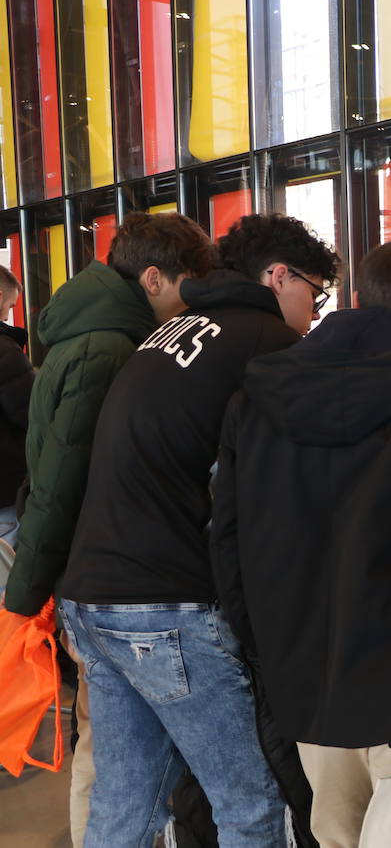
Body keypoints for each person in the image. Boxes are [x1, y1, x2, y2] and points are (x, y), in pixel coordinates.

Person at [57, 213, 337, 847]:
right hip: (162, 604)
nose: (316, 313)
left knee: (125, 806)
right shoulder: (266, 340)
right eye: (315, 293)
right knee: (250, 806)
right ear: (277, 276)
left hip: (92, 598)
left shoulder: (178, 330)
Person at [210, 240, 391, 848]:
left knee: (335, 835)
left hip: (304, 683)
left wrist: (268, 657)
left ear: (360, 300)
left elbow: (228, 545)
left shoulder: (254, 402)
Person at [1, 211, 215, 846]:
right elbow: (69, 476)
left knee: (111, 753)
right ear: (152, 278)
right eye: (189, 284)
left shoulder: (85, 331)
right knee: (119, 758)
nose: (194, 302)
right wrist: (30, 595)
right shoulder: (112, 348)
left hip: (87, 576)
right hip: (104, 578)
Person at [0, 264, 33, 562]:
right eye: (10, 305)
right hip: (4, 495)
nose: (10, 315)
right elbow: (32, 415)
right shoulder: (5, 352)